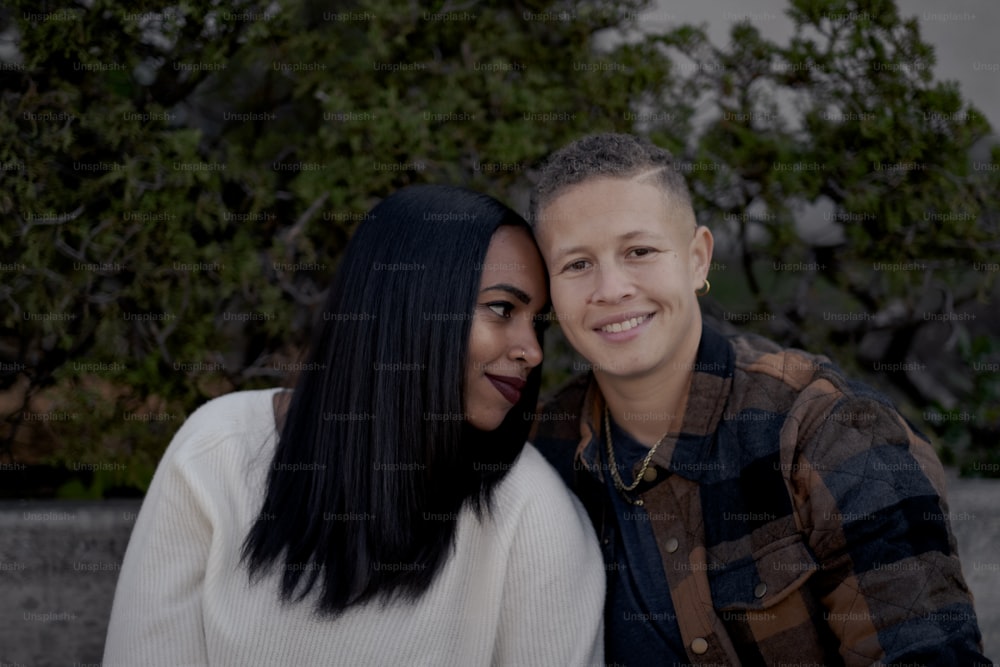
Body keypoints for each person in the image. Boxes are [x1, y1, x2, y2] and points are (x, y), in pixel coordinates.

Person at [528, 133, 989, 666]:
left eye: (640, 251)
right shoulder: (545, 453)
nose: (611, 288)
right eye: (577, 264)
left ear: (698, 259)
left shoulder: (828, 431)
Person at [103, 184, 605, 667]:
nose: (533, 352)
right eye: (502, 309)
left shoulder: (532, 515)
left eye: (536, 322)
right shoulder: (217, 450)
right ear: (409, 308)